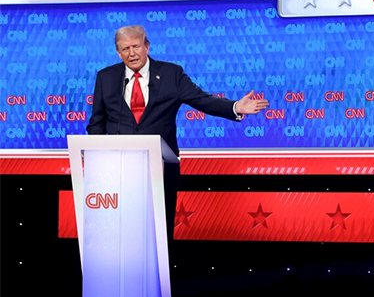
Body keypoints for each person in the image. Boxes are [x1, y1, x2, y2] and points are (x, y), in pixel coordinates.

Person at [86, 25, 270, 262]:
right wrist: (96, 155)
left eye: (135, 46)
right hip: (118, 172)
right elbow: (97, 121)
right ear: (118, 53)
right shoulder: (107, 77)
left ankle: (160, 288)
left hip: (161, 170)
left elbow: (202, 100)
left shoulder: (171, 73)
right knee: (122, 237)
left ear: (146, 46)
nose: (131, 53)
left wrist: (235, 107)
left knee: (159, 237)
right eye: (125, 49)